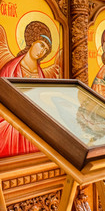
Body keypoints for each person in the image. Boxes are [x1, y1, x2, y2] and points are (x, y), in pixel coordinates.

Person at [0, 21, 60, 158]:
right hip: (11, 117)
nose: (42, 51)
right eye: (41, 45)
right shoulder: (11, 68)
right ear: (32, 41)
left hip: (34, 120)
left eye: (46, 50)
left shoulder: (40, 73)